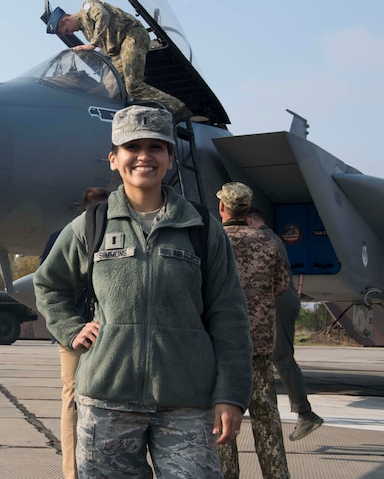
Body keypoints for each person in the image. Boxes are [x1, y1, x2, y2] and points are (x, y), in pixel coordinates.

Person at [35, 104, 253, 478]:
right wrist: (72, 330)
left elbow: (229, 315)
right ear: (113, 158)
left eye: (156, 147)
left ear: (171, 157)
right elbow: (48, 283)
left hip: (186, 404)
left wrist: (231, 395)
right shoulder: (91, 226)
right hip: (107, 400)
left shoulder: (202, 229)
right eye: (132, 147)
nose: (144, 156)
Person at [217, 183, 290, 479]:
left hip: (221, 344)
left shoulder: (214, 241)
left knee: (221, 418)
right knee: (266, 416)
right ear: (247, 209)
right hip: (258, 343)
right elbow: (281, 284)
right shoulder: (268, 242)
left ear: (222, 207)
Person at [246, 207, 324, 441]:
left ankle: (305, 413)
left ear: (250, 220)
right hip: (279, 301)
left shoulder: (264, 239)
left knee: (282, 358)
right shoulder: (273, 238)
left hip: (277, 302)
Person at [46, 1, 191, 120]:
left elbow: (103, 16)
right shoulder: (86, 31)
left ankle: (177, 108)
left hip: (131, 35)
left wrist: (93, 44)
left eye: (66, 30)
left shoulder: (87, 8)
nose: (70, 33)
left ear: (65, 19)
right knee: (108, 91)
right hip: (118, 53)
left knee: (133, 85)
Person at [52, 186, 109, 479]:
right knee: (74, 399)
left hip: (108, 333)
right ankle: (73, 473)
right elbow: (49, 288)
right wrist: (71, 329)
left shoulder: (59, 236)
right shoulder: (68, 237)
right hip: (78, 335)